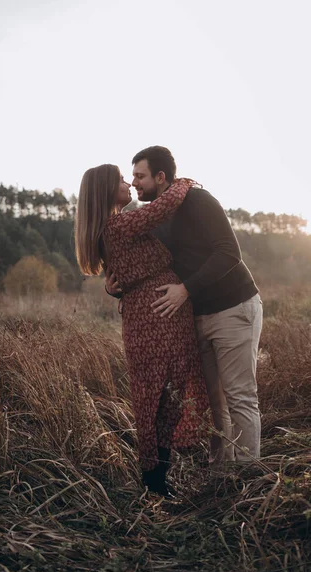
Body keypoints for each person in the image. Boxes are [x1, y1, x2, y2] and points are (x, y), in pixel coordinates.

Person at [106, 146, 263, 470]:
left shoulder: (198, 201)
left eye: (139, 176)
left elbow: (229, 253)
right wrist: (112, 287)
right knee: (213, 401)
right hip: (196, 315)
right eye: (132, 176)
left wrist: (186, 289)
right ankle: (222, 478)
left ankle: (249, 481)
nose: (134, 183)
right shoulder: (153, 217)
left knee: (240, 397)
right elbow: (144, 267)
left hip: (233, 307)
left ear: (160, 177)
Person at [75, 165, 209, 496]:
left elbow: (125, 277)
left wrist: (114, 288)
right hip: (156, 319)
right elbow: (163, 207)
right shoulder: (119, 224)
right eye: (121, 179)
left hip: (147, 316)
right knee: (161, 400)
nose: (128, 183)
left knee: (157, 401)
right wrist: (182, 183)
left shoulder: (110, 228)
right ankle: (154, 482)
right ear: (106, 190)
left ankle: (157, 483)